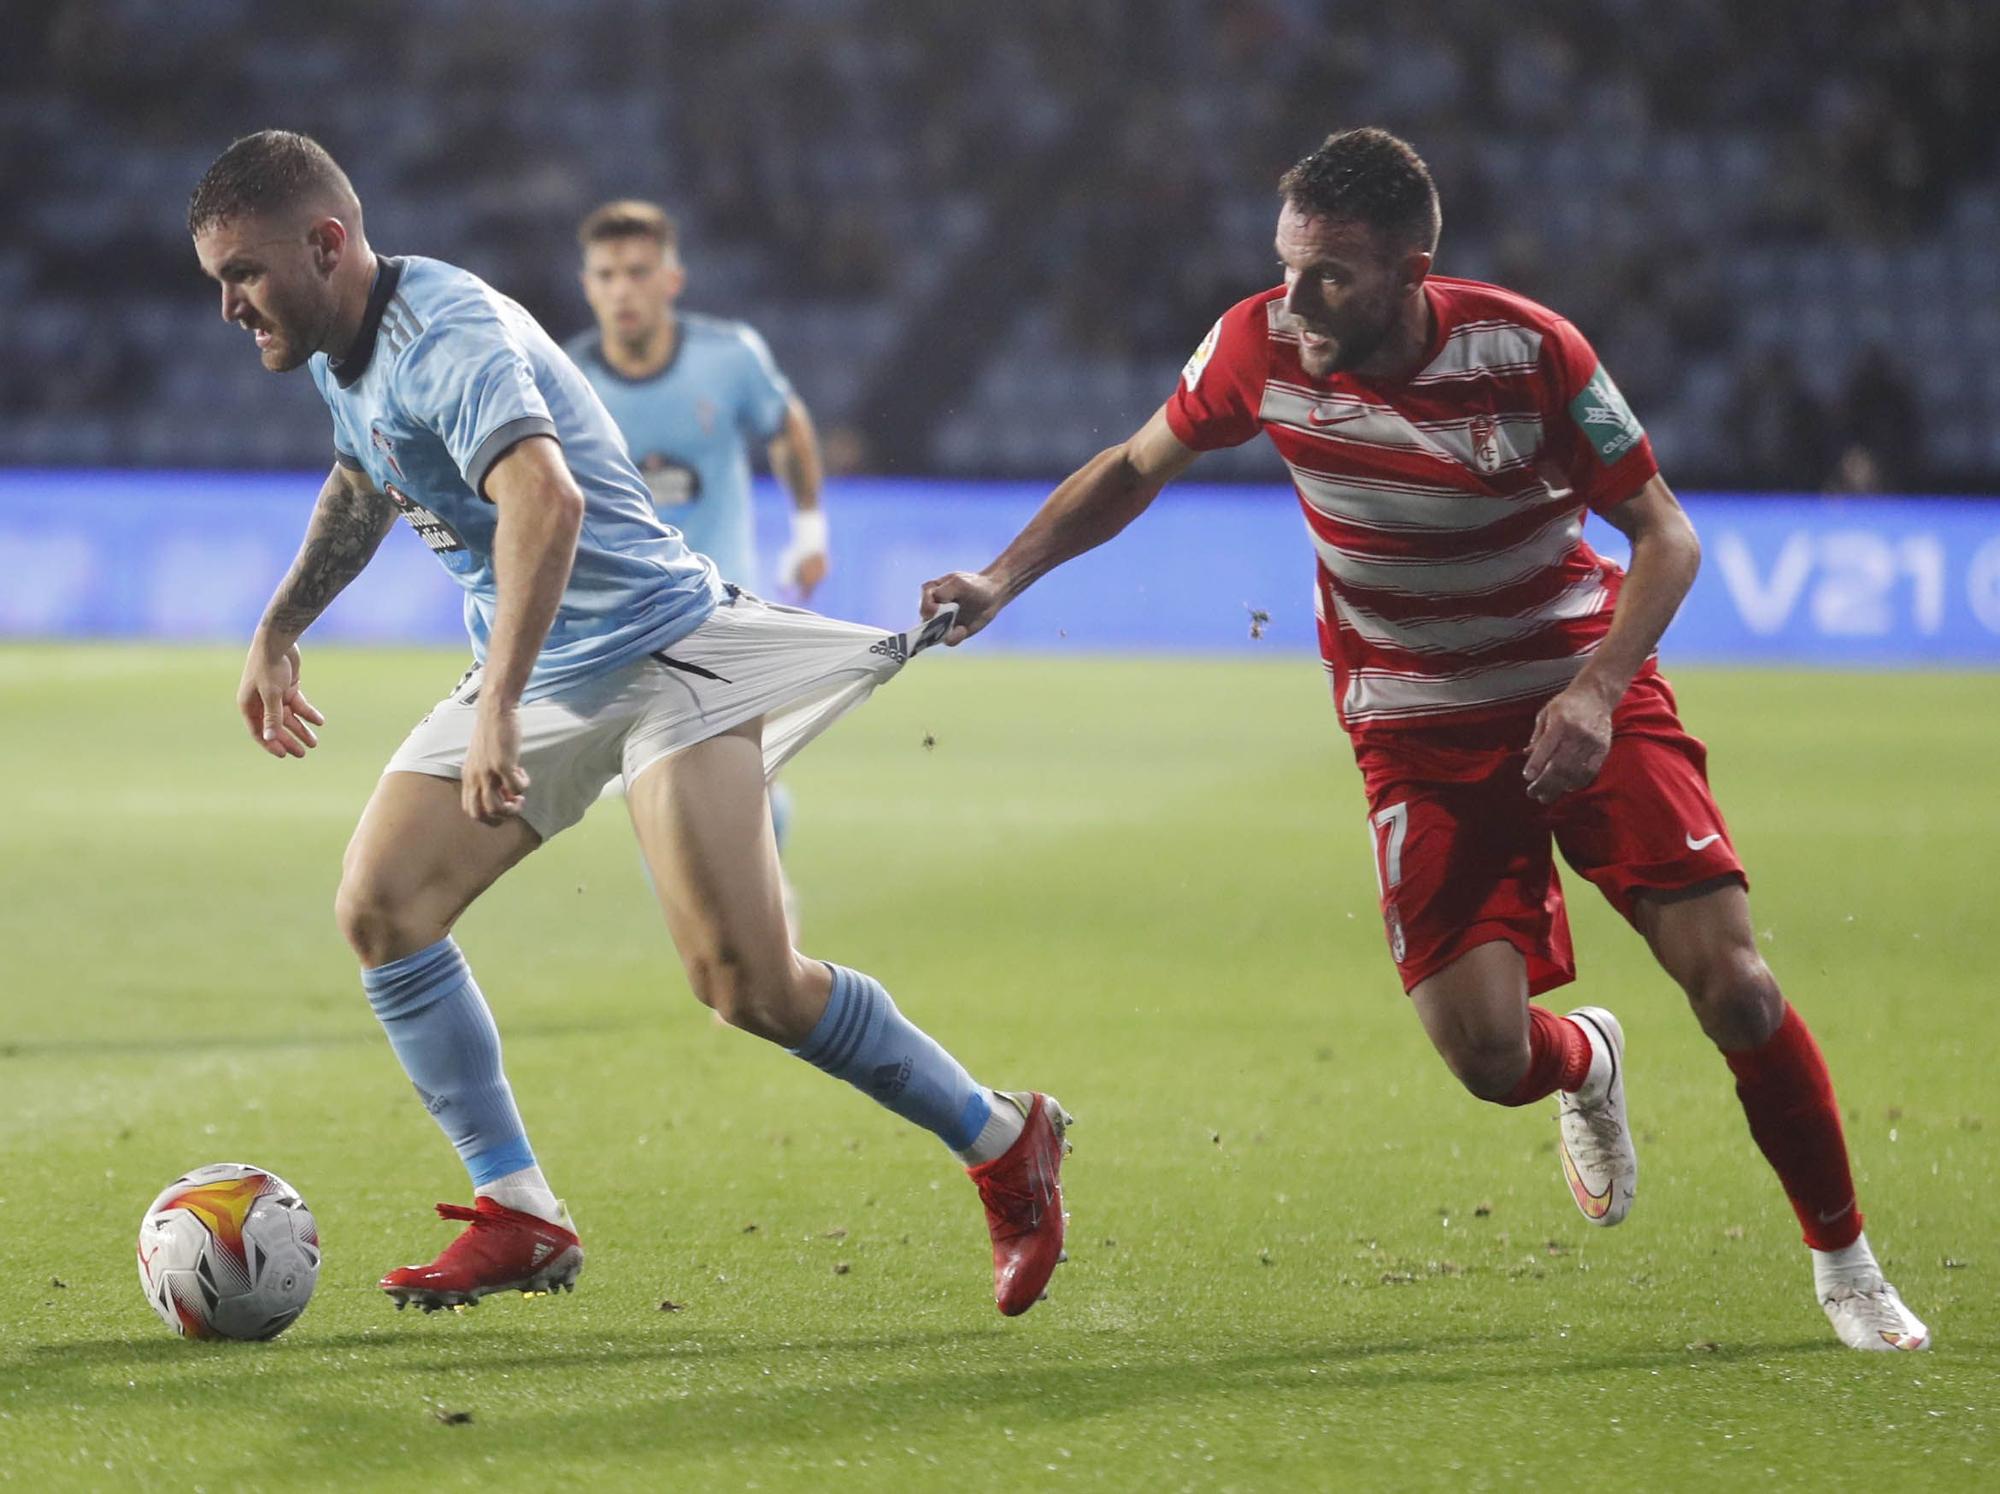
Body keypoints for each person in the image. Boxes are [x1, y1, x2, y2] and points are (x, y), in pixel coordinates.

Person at [921, 128, 1926, 1352]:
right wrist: (1001, 578)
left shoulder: (1530, 350)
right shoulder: (1254, 344)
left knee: (1734, 985)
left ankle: (1843, 1259)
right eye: (1283, 267)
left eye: (1328, 275)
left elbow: (1666, 537)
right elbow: (1133, 469)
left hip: (1575, 685)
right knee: (1487, 1058)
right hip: (1410, 723)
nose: (1293, 303)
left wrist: (1598, 692)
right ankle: (1584, 1064)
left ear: (1412, 267)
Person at [188, 130, 1070, 1318]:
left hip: (664, 657)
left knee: (746, 984)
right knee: (382, 909)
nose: (232, 306)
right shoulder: (339, 351)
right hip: (539, 665)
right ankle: (521, 1211)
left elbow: (541, 499)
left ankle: (1002, 1137)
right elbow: (365, 475)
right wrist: (280, 624)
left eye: (241, 274)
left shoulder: (446, 332)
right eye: (217, 284)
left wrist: (497, 705)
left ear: (326, 244)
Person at [566, 199, 825, 910]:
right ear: (588, 285)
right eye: (608, 274)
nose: (623, 289)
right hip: (621, 620)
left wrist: (808, 532)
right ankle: (742, 912)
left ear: (672, 280)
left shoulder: (729, 357)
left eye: (639, 272)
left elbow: (788, 427)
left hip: (722, 613)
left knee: (698, 785)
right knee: (659, 794)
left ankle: (744, 940)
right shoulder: (564, 379)